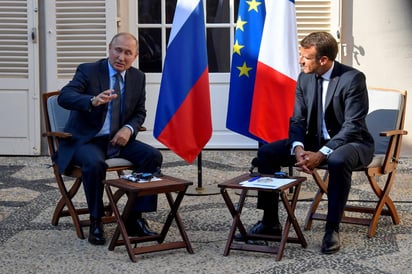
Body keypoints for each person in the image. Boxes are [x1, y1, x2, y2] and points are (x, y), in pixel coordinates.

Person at [241, 32, 375, 254]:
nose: (300, 61)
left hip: (354, 143)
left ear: (323, 60)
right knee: (267, 153)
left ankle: (332, 229)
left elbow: (352, 126)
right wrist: (298, 148)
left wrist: (321, 153)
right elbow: (298, 120)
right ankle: (270, 222)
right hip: (314, 142)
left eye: (306, 57)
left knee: (338, 160)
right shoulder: (304, 77)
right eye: (300, 55)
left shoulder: (353, 79)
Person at [55, 32, 163, 245]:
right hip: (87, 140)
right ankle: (96, 221)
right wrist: (92, 100)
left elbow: (139, 112)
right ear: (109, 49)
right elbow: (64, 97)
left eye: (128, 53)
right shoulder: (89, 70)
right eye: (118, 50)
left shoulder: (137, 77)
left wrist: (129, 128)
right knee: (95, 163)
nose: (121, 57)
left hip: (117, 140)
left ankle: (134, 217)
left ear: (135, 56)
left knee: (153, 157)